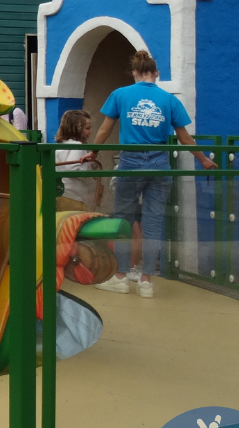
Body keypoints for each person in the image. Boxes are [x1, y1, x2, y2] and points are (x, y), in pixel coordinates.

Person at [92, 50, 216, 299]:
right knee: (153, 222)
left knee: (123, 221)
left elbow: (104, 130)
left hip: (130, 161)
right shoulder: (169, 100)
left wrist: (92, 153)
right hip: (160, 163)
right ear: (156, 73)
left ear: (134, 72)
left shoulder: (120, 94)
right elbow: (184, 137)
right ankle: (146, 281)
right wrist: (203, 159)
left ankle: (121, 277)